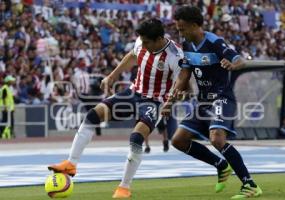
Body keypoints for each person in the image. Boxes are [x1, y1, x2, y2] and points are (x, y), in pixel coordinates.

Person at [48, 18, 184, 198]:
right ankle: (71, 163)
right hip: (134, 92)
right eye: (141, 40)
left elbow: (181, 84)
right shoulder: (142, 42)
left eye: (147, 42)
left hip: (155, 102)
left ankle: (124, 187)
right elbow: (132, 56)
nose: (142, 44)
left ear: (159, 39)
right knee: (93, 115)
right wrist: (112, 76)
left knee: (136, 138)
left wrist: (171, 102)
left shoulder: (175, 56)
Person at [161, 6, 262, 199]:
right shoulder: (187, 45)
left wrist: (233, 65)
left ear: (195, 25)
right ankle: (221, 165)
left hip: (222, 97)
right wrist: (170, 101)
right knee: (178, 140)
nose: (180, 33)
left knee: (216, 138)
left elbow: (240, 60)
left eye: (182, 29)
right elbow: (184, 76)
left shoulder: (214, 42)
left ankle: (250, 184)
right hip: (203, 102)